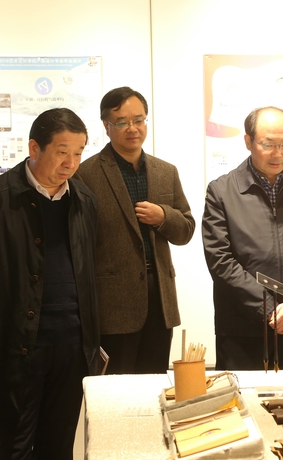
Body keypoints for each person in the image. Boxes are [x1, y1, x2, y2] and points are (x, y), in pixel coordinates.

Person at [0, 108, 100, 459]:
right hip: (14, 351)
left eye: (78, 153)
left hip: (72, 349)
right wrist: (1, 318)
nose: (71, 163)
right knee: (11, 448)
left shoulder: (84, 201)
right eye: (62, 152)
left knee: (58, 448)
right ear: (34, 148)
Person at [202, 106, 283, 370]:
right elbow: (220, 260)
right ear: (248, 141)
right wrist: (269, 308)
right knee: (241, 395)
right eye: (268, 144)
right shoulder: (221, 191)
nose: (278, 153)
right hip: (242, 326)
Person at [75, 86, 195, 374]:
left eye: (139, 120)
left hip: (160, 298)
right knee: (114, 388)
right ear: (106, 125)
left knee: (154, 382)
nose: (132, 128)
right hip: (113, 303)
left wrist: (163, 216)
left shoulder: (166, 171)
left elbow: (186, 230)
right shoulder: (86, 174)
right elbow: (78, 243)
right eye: (122, 122)